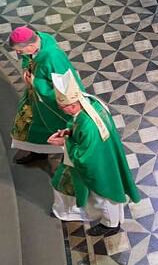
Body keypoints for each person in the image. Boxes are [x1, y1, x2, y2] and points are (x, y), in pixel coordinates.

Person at [47, 71, 140, 235]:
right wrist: (69, 132)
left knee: (103, 195)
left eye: (62, 107)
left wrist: (65, 143)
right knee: (110, 190)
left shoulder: (87, 125)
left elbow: (83, 157)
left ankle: (111, 225)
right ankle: (113, 220)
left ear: (72, 105)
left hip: (99, 165)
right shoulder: (90, 102)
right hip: (106, 155)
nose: (61, 110)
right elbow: (80, 130)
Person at [5, 26, 78, 163]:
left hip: (54, 105)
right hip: (35, 99)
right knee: (32, 125)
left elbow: (64, 88)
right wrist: (26, 68)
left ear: (31, 46)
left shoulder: (53, 58)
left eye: (19, 51)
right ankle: (39, 152)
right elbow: (28, 58)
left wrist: (35, 81)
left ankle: (66, 160)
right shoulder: (38, 39)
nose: (18, 53)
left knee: (62, 131)